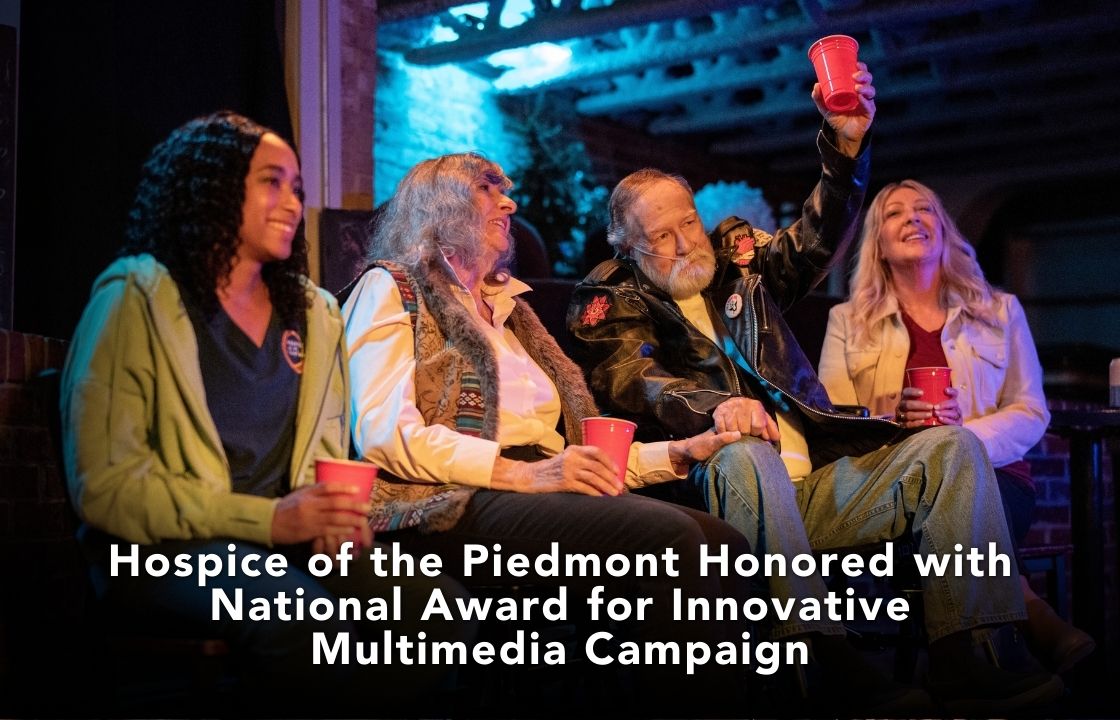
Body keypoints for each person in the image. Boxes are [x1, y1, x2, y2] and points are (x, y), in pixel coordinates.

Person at [568, 64, 1063, 714]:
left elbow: (814, 238)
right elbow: (636, 377)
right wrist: (720, 409)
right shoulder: (609, 296)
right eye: (661, 235)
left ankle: (962, 657)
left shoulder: (736, 259)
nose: (686, 240)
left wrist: (845, 146)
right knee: (746, 451)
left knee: (950, 448)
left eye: (687, 221)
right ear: (629, 248)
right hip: (723, 501)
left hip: (820, 490)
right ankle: (825, 659)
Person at [60, 111, 469, 713]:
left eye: (298, 189)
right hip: (162, 552)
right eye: (271, 182)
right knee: (304, 626)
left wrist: (332, 517)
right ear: (213, 188)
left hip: (286, 547)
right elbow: (107, 489)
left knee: (444, 622)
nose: (292, 203)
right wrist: (270, 522)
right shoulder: (134, 300)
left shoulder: (313, 313)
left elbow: (323, 460)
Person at [342, 152, 772, 716]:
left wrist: (678, 452)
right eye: (489, 190)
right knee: (675, 545)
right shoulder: (391, 287)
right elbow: (380, 433)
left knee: (727, 546)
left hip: (535, 485)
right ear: (442, 206)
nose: (510, 203)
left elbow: (571, 455)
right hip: (447, 499)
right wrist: (522, 473)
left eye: (507, 191)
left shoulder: (511, 310)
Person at [818, 178, 1095, 673]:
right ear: (877, 243)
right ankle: (1020, 623)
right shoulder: (846, 320)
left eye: (926, 209)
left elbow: (1032, 409)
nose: (914, 218)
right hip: (895, 481)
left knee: (958, 503)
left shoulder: (999, 311)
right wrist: (891, 425)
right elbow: (832, 422)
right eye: (896, 213)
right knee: (932, 515)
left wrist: (963, 437)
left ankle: (955, 663)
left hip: (996, 475)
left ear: (944, 231)